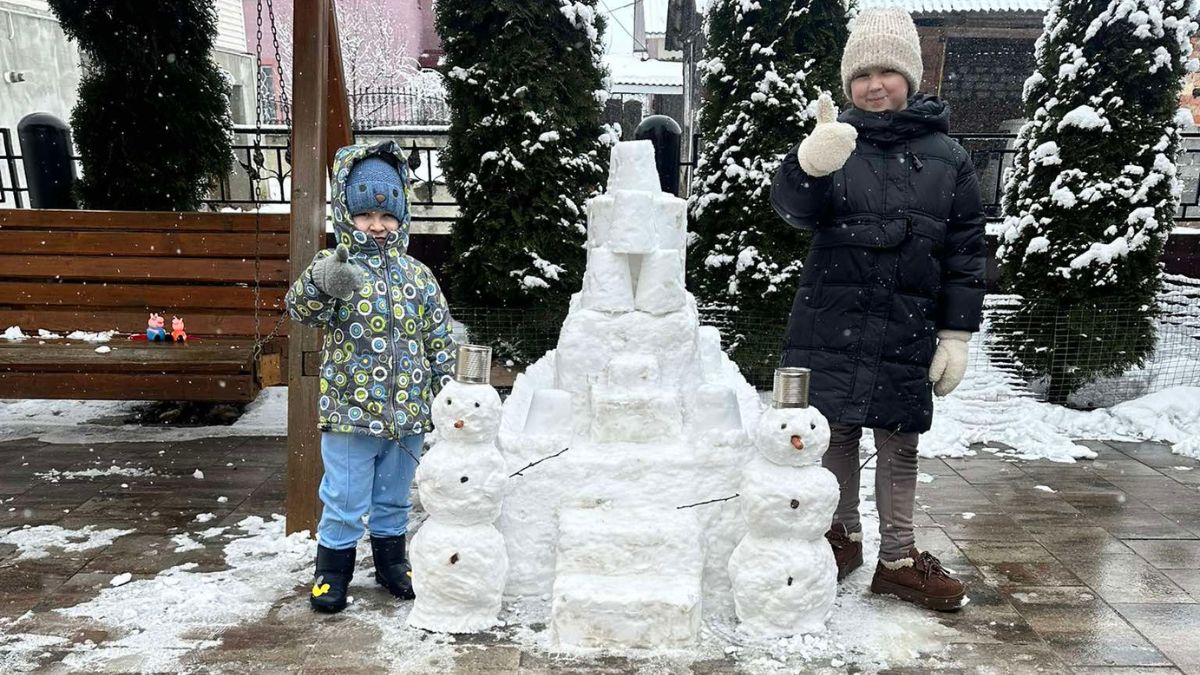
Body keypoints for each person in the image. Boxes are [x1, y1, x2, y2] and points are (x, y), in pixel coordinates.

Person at [770, 7, 986, 611]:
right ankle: (840, 538)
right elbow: (794, 209)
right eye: (862, 74)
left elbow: (966, 250)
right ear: (849, 83)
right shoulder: (836, 139)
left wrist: (957, 334)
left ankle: (897, 560)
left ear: (910, 78)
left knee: (900, 441)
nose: (874, 85)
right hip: (831, 315)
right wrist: (809, 163)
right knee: (834, 433)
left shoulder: (949, 157)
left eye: (887, 71)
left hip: (906, 322)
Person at [285, 141, 456, 613]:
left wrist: (448, 388)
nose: (376, 227)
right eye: (364, 216)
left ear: (401, 217)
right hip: (350, 412)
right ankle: (331, 572)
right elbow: (301, 308)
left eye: (386, 217)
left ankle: (391, 563)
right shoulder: (337, 268)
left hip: (408, 415)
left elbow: (438, 337)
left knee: (395, 495)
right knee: (343, 495)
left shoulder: (418, 276)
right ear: (347, 214)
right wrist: (322, 283)